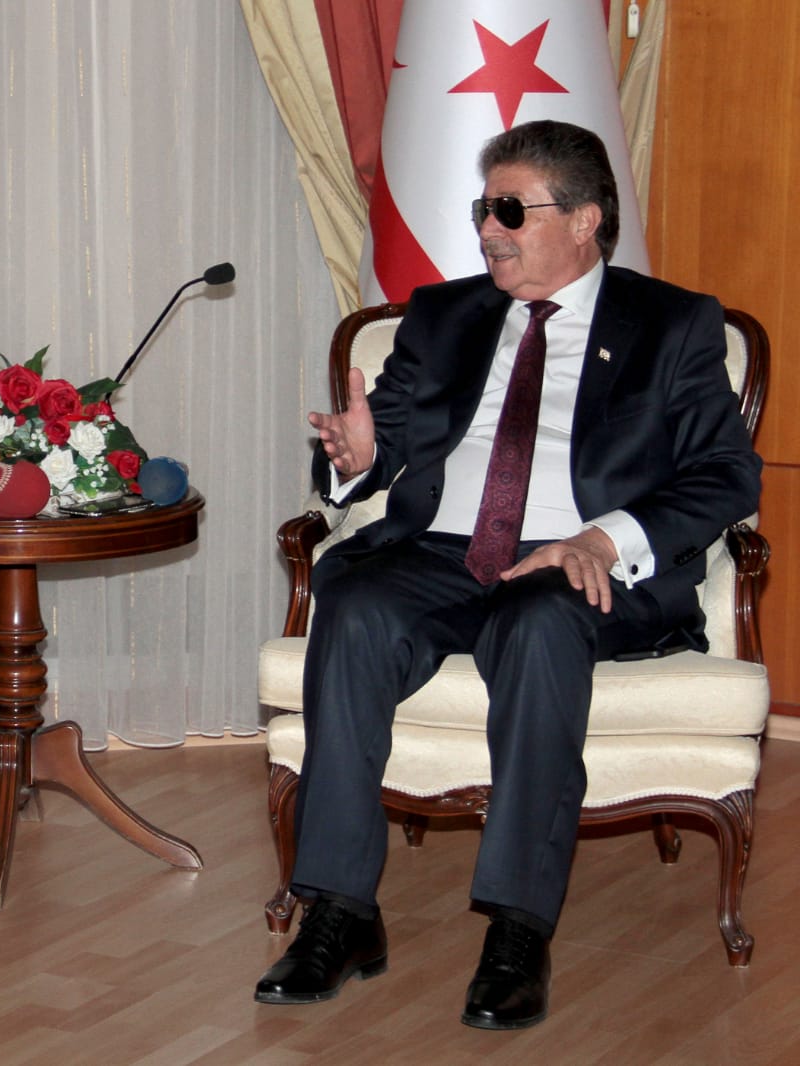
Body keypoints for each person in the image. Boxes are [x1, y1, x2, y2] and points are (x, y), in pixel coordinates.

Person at [253, 121, 761, 1030]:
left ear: (586, 220)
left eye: (512, 210)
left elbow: (726, 475)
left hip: (576, 563)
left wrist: (604, 539)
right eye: (484, 209)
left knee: (538, 621)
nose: (489, 228)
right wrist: (358, 461)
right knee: (355, 602)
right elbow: (382, 442)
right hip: (442, 552)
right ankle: (340, 910)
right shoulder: (443, 316)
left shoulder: (672, 325)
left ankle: (518, 930)